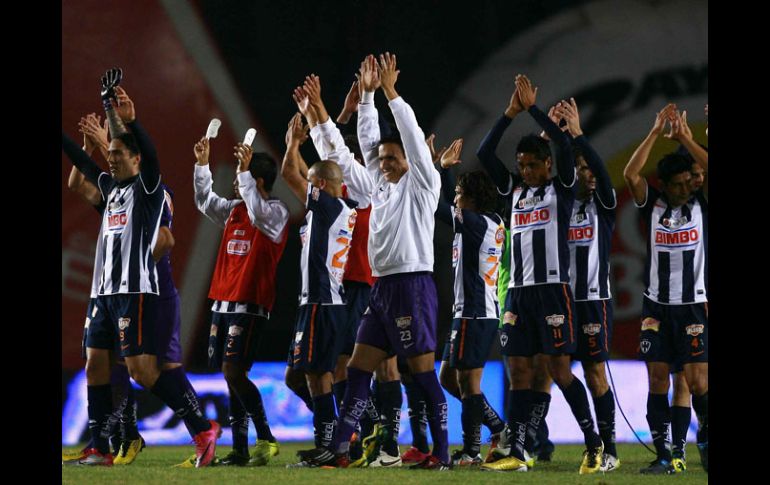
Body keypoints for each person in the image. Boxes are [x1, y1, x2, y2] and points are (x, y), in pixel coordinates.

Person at [300, 53, 449, 470]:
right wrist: (364, 100)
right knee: (358, 366)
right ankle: (342, 449)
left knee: (421, 374)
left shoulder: (423, 183)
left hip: (413, 285)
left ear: (408, 161)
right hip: (382, 289)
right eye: (382, 159)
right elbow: (350, 157)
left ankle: (442, 453)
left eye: (391, 158)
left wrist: (388, 93)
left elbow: (414, 140)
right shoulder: (378, 188)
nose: (384, 163)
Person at [61, 80, 220, 467]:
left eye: (118, 153)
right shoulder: (111, 189)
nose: (110, 158)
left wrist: (131, 123)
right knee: (96, 363)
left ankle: (202, 428)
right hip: (103, 293)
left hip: (137, 291)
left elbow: (148, 154)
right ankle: (100, 445)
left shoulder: (148, 189)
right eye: (109, 154)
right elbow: (82, 167)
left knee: (143, 370)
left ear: (135, 160)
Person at [476, 75, 604, 474]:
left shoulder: (561, 188)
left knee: (558, 370)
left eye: (533, 165)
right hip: (517, 293)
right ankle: (518, 451)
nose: (527, 171)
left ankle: (594, 444)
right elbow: (483, 153)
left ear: (548, 165)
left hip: (552, 292)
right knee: (518, 373)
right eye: (522, 165)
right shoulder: (514, 190)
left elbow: (565, 145)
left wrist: (532, 109)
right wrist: (509, 114)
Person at [298, 77, 404, 467]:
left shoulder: (379, 187)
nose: (372, 158)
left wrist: (330, 111)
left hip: (378, 284)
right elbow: (333, 156)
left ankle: (391, 443)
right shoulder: (357, 185)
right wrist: (326, 114)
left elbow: (337, 156)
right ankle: (366, 437)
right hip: (353, 287)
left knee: (388, 366)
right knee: (347, 365)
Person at [191, 129, 289, 466]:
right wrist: (202, 167)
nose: (236, 181)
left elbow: (259, 212)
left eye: (243, 175)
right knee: (230, 376)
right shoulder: (235, 211)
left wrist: (244, 174)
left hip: (250, 305)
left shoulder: (275, 213)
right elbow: (205, 202)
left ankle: (266, 436)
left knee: (234, 373)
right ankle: (241, 449)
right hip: (223, 303)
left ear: (258, 180)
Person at [623, 104, 708, 474]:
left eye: (685, 184)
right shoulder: (652, 205)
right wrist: (656, 132)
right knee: (658, 379)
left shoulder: (702, 206)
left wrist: (687, 138)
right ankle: (665, 455)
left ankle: (702, 441)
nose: (680, 191)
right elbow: (630, 173)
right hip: (656, 307)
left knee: (695, 381)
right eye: (674, 185)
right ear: (665, 184)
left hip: (692, 306)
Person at [281, 111, 358, 463]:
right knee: (297, 377)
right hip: (320, 303)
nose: (307, 188)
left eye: (313, 183)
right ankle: (341, 434)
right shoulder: (331, 209)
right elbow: (301, 174)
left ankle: (330, 445)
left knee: (314, 376)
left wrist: (293, 144)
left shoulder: (328, 207)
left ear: (322, 186)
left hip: (322, 303)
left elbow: (288, 174)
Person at [432, 138, 507, 466]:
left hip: (476, 313)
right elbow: (448, 205)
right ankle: (498, 429)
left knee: (468, 383)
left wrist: (441, 170)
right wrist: (446, 173)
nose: (457, 200)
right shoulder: (485, 222)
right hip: (470, 312)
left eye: (462, 194)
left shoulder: (477, 224)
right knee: (449, 378)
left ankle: (474, 449)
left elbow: (438, 208)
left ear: (473, 200)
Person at [555, 98, 620, 472]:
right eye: (582, 169)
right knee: (558, 370)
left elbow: (603, 173)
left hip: (594, 299)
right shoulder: (560, 204)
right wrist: (559, 142)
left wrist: (578, 136)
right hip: (562, 299)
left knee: (595, 373)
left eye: (592, 169)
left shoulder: (604, 205)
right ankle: (590, 440)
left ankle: (609, 449)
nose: (590, 174)